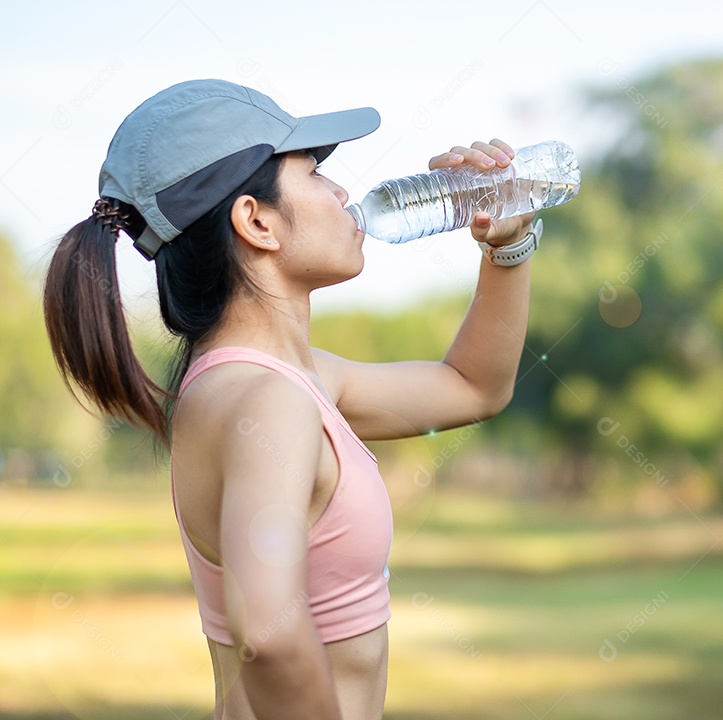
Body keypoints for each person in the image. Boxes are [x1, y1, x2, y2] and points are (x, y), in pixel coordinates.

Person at [42, 79, 539, 720]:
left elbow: (473, 387)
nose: (342, 193)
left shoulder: (282, 381)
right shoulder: (265, 402)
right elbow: (268, 628)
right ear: (256, 221)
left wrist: (508, 248)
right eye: (313, 172)